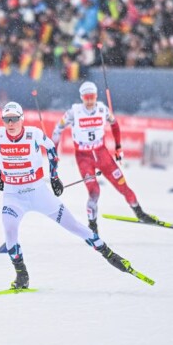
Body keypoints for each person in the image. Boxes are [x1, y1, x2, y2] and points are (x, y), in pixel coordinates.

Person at [0, 101, 137, 289]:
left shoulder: (34, 134)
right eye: (6, 119)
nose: (10, 123)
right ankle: (21, 276)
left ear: (21, 119)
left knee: (73, 225)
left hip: (38, 193)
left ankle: (111, 256)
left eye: (14, 119)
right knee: (9, 230)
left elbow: (51, 149)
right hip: (13, 195)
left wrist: (54, 177)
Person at [51, 81, 155, 234]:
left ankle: (140, 213)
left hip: (102, 154)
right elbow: (57, 130)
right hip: (83, 157)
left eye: (92, 97)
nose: (89, 101)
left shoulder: (102, 109)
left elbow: (115, 124)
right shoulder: (74, 112)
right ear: (81, 97)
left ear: (96, 96)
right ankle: (92, 226)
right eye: (86, 97)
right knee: (94, 191)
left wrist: (118, 147)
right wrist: (53, 152)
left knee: (122, 185)